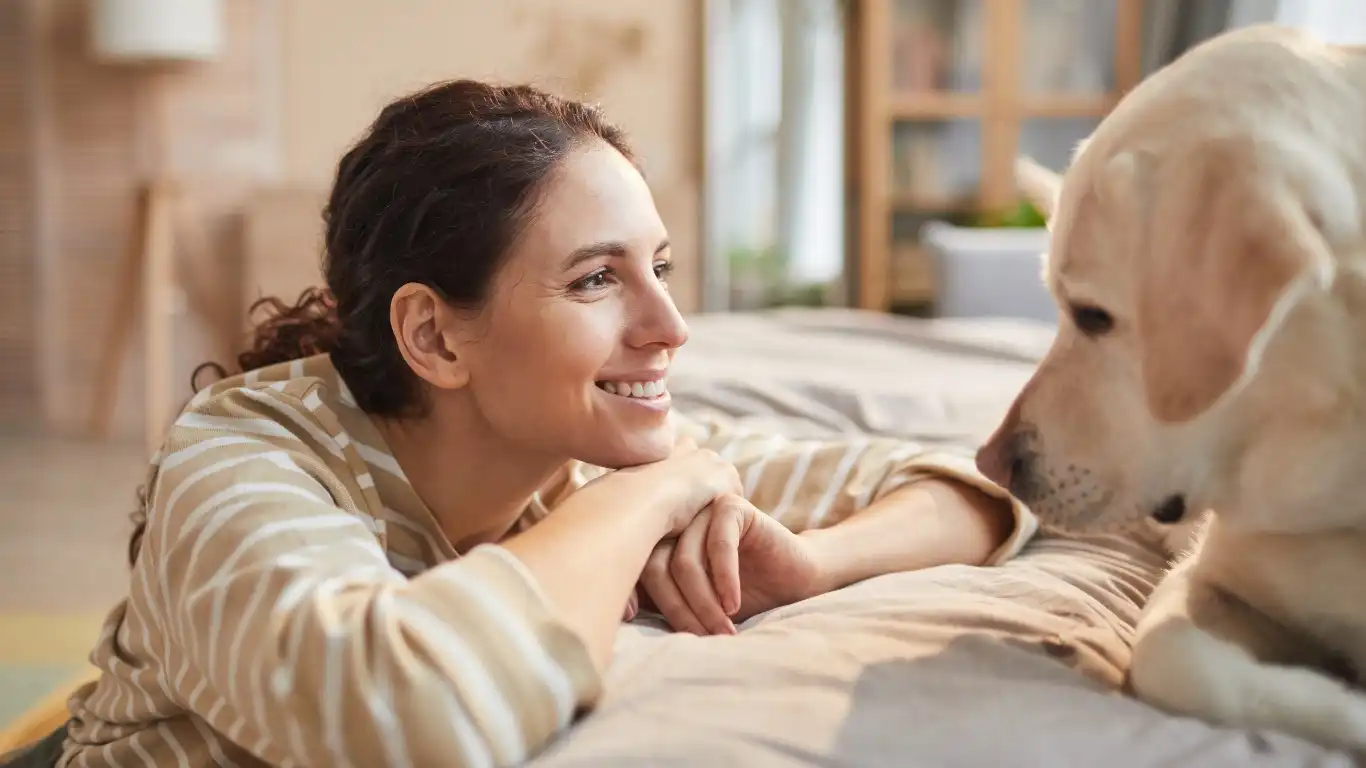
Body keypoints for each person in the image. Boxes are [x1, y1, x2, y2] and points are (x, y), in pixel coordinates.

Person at [50, 80, 1035, 768]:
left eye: (661, 267)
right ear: (433, 336)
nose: (670, 327)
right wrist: (655, 493)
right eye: (597, 279)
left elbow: (978, 486)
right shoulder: (240, 459)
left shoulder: (570, 455)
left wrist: (813, 565)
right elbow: (402, 716)